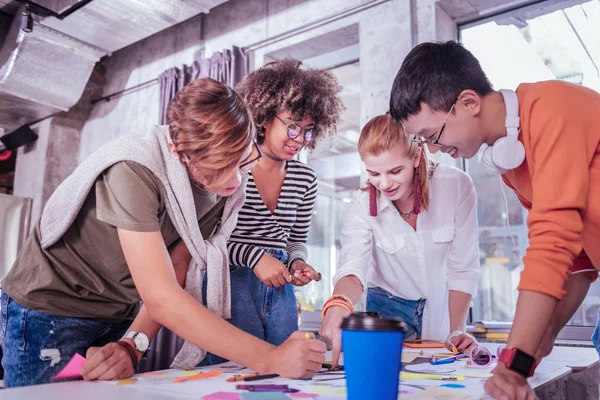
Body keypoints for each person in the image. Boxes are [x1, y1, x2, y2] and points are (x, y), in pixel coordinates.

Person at [0, 78, 325, 388]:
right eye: (217, 168)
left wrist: (132, 345)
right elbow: (161, 297)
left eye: (241, 163)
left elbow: (177, 269)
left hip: (120, 312)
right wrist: (271, 358)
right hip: (50, 307)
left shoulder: (225, 187)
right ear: (176, 149)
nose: (234, 182)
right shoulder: (133, 169)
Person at [389, 40, 600, 400]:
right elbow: (579, 261)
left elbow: (553, 243)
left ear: (469, 103)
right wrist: (528, 356)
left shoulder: (553, 109)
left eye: (432, 136)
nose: (435, 150)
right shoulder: (512, 162)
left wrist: (513, 364)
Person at [200, 59, 343, 365]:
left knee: (287, 370)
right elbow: (207, 243)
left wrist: (298, 260)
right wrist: (255, 257)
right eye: (292, 126)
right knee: (235, 370)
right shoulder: (233, 169)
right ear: (264, 117)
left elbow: (294, 240)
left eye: (308, 131)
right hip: (231, 281)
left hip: (280, 288)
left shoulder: (305, 179)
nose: (299, 140)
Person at [319, 113, 481, 368]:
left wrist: (456, 331)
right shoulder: (362, 204)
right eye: (374, 173)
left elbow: (463, 268)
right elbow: (352, 267)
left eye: (395, 171)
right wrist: (338, 304)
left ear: (416, 157)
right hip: (387, 312)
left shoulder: (457, 185)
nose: (384, 183)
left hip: (440, 313)